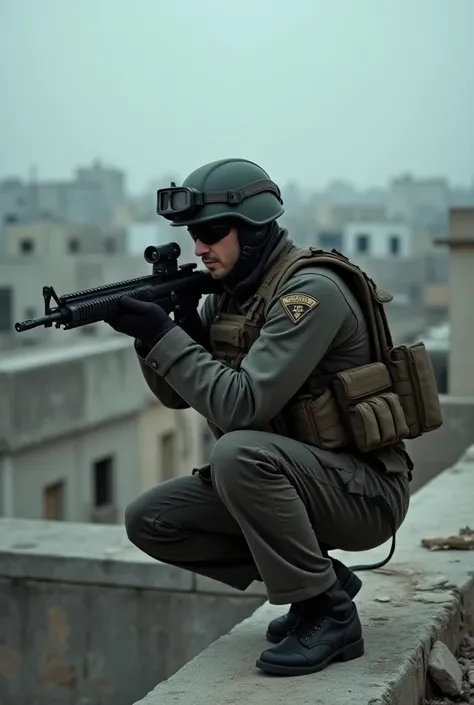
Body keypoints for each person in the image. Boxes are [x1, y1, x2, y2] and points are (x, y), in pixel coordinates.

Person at [105, 157, 414, 677]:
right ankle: (321, 580)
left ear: (251, 230)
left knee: (237, 449)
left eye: (210, 233)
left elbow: (241, 406)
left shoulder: (309, 292)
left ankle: (329, 614)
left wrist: (165, 335)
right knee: (153, 520)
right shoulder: (233, 296)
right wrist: (156, 335)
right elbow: (180, 398)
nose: (199, 247)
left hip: (363, 492)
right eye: (193, 234)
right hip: (294, 483)